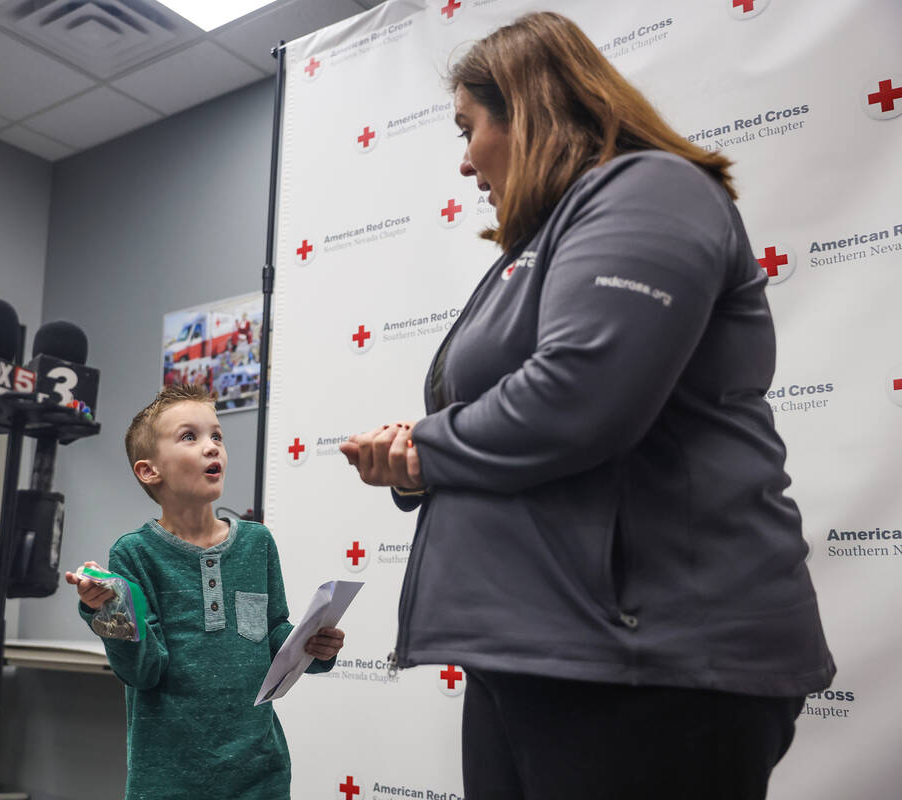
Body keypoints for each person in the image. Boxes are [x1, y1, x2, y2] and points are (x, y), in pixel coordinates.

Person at [337, 12, 834, 800]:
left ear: (526, 110)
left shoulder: (653, 188)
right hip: (543, 650)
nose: (465, 162)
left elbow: (577, 397)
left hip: (651, 663)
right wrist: (416, 463)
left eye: (469, 128)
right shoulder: (538, 243)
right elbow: (515, 410)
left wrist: (429, 449)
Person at [67, 383, 345, 800]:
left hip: (260, 773)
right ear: (149, 470)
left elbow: (272, 639)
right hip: (168, 780)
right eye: (189, 437)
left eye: (216, 435)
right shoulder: (135, 553)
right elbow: (143, 671)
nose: (212, 446)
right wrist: (110, 611)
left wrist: (313, 645)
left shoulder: (258, 544)